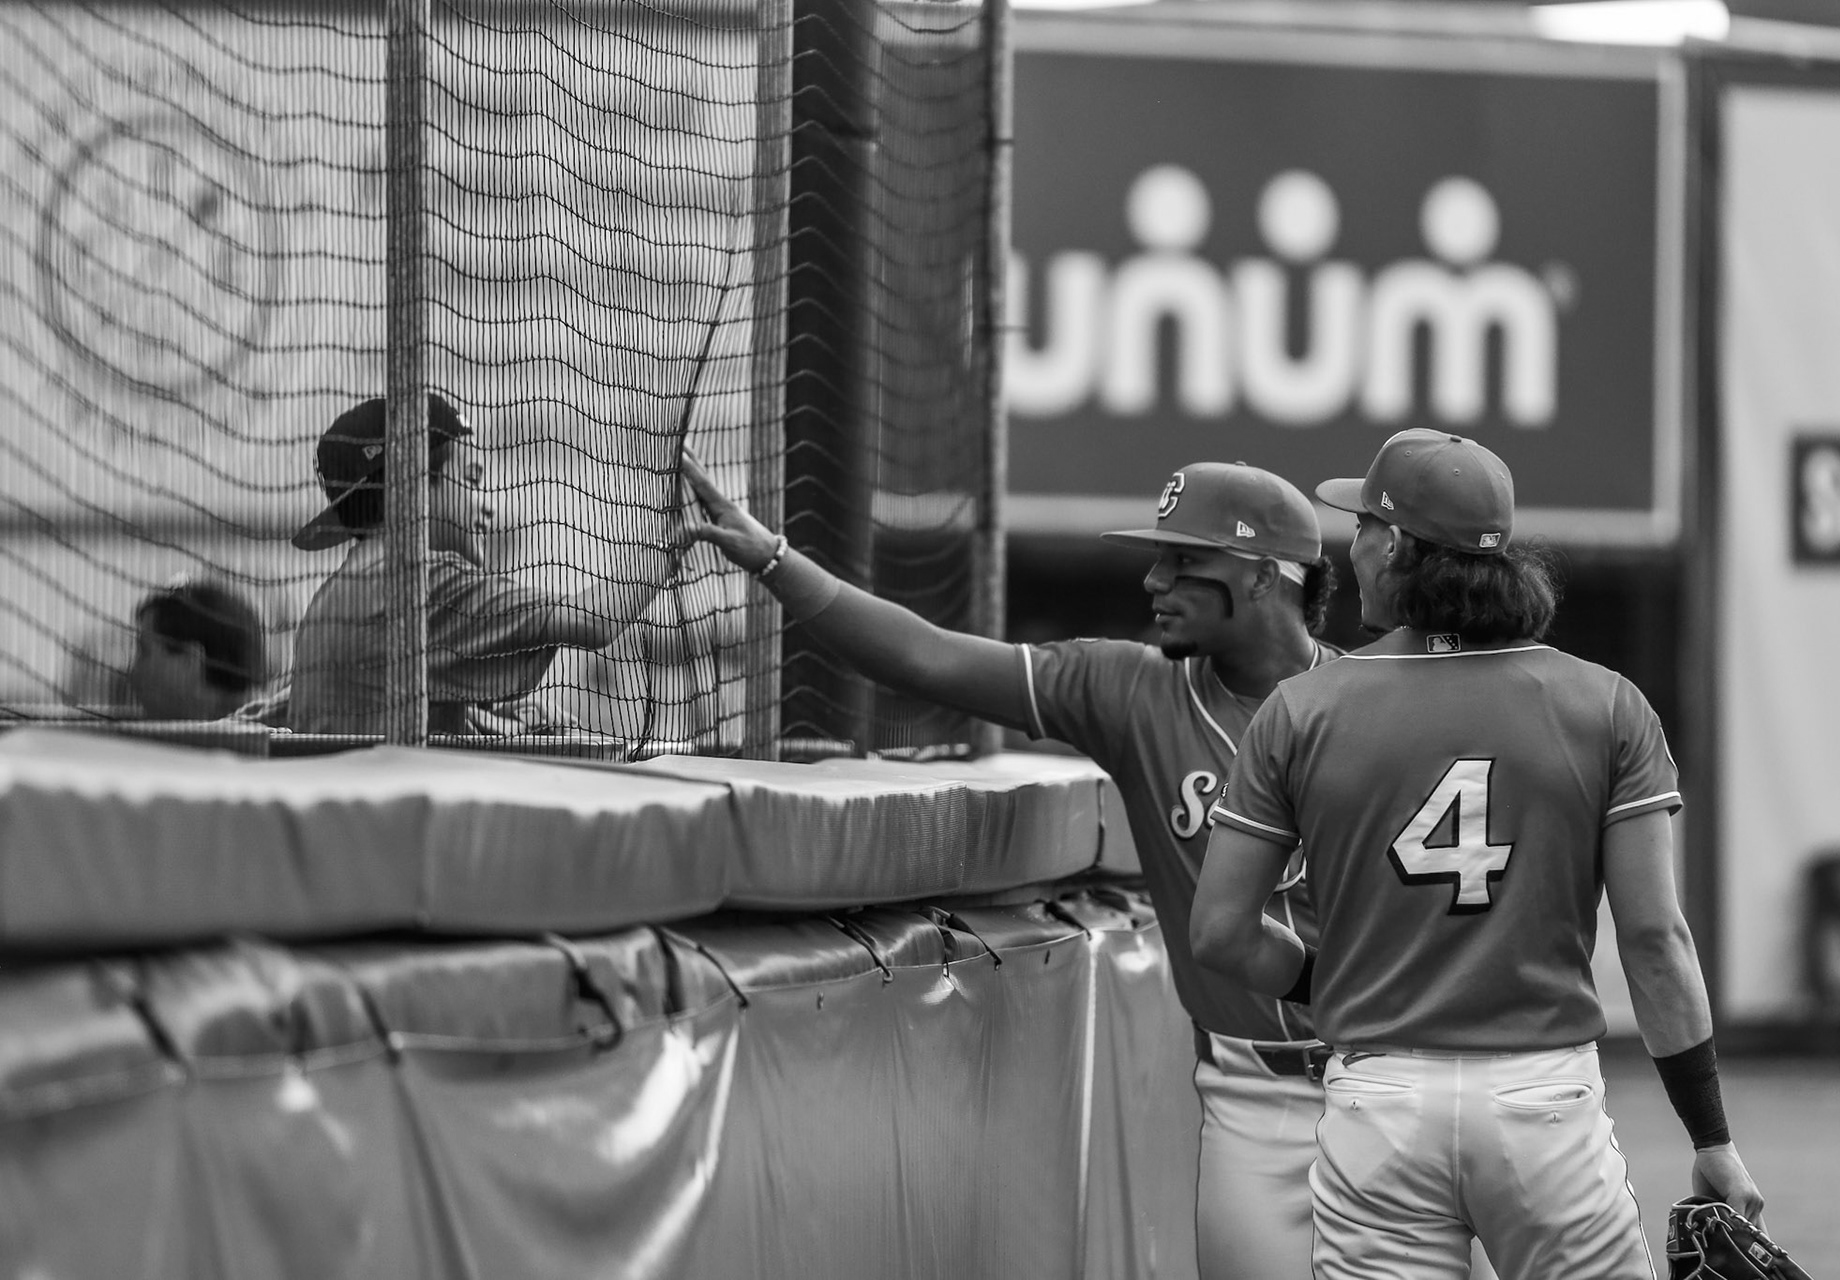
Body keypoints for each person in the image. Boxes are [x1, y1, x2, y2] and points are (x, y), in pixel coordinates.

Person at [683, 449, 1341, 1279]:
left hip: (1391, 1073)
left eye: (1184, 561)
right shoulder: (1131, 690)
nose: (1154, 581)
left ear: (1262, 577)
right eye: (1157, 558)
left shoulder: (1374, 703)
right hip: (1256, 1098)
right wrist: (775, 560)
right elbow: (923, 659)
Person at [1192, 428, 1764, 1279]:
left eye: (1365, 527)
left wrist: (1327, 979)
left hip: (1379, 1103)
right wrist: (1711, 1135)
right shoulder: (1606, 705)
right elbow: (1655, 944)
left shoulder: (1301, 709)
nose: (1353, 544)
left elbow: (1221, 935)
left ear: (1398, 549)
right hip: (1543, 1105)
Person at [287, 393, 676, 735]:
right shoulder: (419, 583)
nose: (489, 505)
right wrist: (678, 535)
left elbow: (388, 707)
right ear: (413, 486)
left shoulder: (330, 597)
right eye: (472, 480)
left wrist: (492, 717)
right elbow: (594, 620)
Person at [126, 578, 269, 719]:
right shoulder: (263, 727)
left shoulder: (268, 732)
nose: (131, 670)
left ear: (189, 661)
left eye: (144, 652)